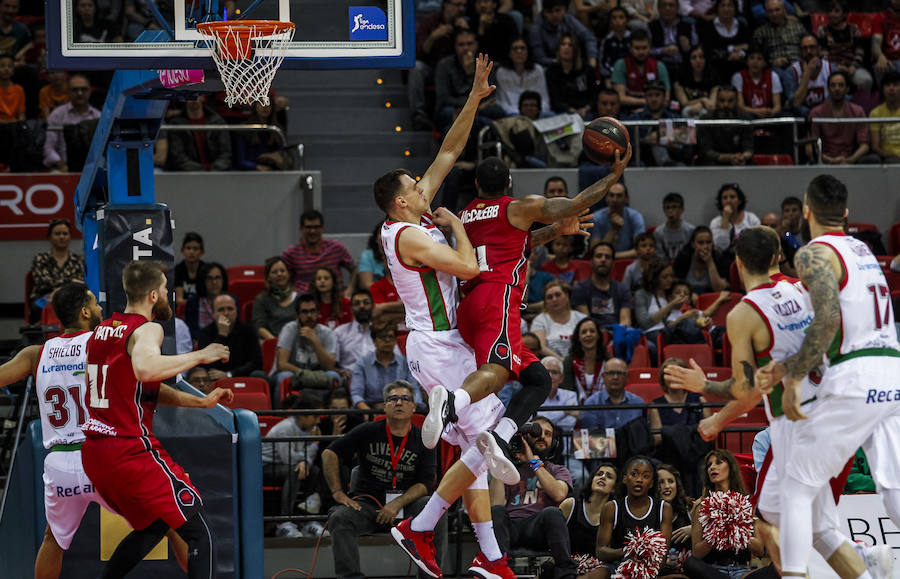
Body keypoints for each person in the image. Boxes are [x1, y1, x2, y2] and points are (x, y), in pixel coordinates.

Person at [665, 225, 892, 577]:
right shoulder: (804, 289)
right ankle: (864, 565)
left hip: (797, 432)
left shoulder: (744, 314)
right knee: (817, 529)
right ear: (776, 257)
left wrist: (705, 389)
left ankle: (860, 558)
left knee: (771, 524)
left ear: (737, 262)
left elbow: (747, 389)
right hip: (839, 420)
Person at [375, 54, 517, 579]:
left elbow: (449, 151)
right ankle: (418, 527)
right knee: (495, 428)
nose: (423, 186)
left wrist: (474, 99)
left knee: (474, 452)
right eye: (414, 186)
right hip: (436, 344)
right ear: (400, 202)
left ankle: (492, 559)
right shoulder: (408, 233)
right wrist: (458, 225)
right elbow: (465, 265)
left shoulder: (410, 216)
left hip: (441, 343)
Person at [753, 176, 900, 578]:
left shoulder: (814, 254)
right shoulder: (863, 249)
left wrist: (795, 376)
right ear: (847, 214)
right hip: (892, 370)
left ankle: (799, 574)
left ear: (806, 211)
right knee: (893, 488)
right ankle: (864, 565)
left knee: (798, 485)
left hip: (856, 372)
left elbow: (829, 318)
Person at [0, 283, 185, 578]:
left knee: (52, 541)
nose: (101, 309)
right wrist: (198, 402)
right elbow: (147, 386)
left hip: (59, 461)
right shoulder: (101, 345)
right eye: (95, 305)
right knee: (173, 521)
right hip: (99, 454)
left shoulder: (36, 354)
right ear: (85, 311)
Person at [81, 260, 233, 578]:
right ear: (153, 295)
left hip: (96, 454)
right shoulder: (148, 328)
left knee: (154, 526)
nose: (168, 294)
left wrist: (201, 402)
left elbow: (141, 387)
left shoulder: (101, 331)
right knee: (196, 529)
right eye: (165, 289)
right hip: (128, 449)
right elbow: (147, 369)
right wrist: (200, 355)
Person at [323, 381, 445, 579]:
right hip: (369, 504)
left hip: (407, 506)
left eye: (405, 399)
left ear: (414, 407)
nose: (399, 402)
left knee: (435, 508)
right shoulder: (367, 431)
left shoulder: (424, 439)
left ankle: (429, 576)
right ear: (385, 405)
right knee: (339, 517)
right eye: (393, 398)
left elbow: (424, 484)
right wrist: (337, 492)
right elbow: (329, 453)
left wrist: (397, 504)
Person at [489, 416, 578, 579]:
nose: (542, 436)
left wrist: (533, 462)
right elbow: (496, 505)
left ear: (554, 443)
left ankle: (567, 574)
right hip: (511, 527)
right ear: (525, 436)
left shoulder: (558, 470)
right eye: (537, 431)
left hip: (539, 527)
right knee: (497, 512)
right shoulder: (509, 469)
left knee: (552, 512)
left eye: (548, 434)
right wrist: (500, 462)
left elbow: (558, 494)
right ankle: (497, 572)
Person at [682, 450, 765, 578]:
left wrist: (736, 529)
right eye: (709, 465)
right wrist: (716, 533)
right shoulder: (702, 505)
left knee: (777, 569)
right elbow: (697, 553)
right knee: (690, 563)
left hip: (741, 570)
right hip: (713, 571)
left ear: (731, 468)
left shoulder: (748, 503)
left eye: (718, 463)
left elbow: (760, 550)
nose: (712, 467)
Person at [595, 456, 675, 579]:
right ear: (625, 478)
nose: (639, 479)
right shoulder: (611, 508)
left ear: (652, 483)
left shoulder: (664, 509)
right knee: (598, 574)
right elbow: (600, 551)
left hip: (652, 569)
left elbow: (662, 558)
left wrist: (643, 565)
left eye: (645, 476)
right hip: (619, 567)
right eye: (634, 474)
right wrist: (630, 551)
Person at [261, 394, 323, 539]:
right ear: (303, 415)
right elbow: (288, 458)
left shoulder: (312, 429)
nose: (318, 420)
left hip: (287, 465)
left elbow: (305, 458)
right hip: (265, 467)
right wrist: (313, 446)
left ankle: (307, 520)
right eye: (315, 416)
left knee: (314, 471)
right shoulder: (286, 428)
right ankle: (284, 522)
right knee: (294, 471)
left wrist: (305, 462)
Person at [274, 294, 340, 394]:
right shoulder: (289, 329)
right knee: (283, 377)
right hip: (296, 374)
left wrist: (315, 341)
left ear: (318, 313)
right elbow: (282, 365)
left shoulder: (327, 333)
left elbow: (330, 366)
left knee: (334, 376)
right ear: (297, 315)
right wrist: (307, 375)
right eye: (304, 312)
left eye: (313, 311)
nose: (309, 315)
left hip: (319, 376)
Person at [809, 71, 879, 165]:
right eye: (833, 85)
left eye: (841, 85)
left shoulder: (857, 111)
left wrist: (850, 160)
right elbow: (810, 148)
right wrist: (831, 161)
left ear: (847, 89)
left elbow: (864, 145)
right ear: (828, 89)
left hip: (851, 160)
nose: (837, 89)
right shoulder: (816, 113)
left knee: (873, 159)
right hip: (824, 161)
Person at [350, 322, 421, 414]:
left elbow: (414, 391)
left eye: (391, 337)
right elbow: (356, 394)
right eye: (383, 337)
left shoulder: (405, 363)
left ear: (395, 340)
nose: (387, 340)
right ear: (374, 341)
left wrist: (413, 408)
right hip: (372, 410)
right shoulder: (363, 363)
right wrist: (368, 412)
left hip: (400, 409)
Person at [282, 209, 356, 295]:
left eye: (316, 227)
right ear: (301, 229)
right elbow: (282, 277)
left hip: (335, 300)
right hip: (305, 302)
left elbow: (354, 268)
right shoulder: (291, 253)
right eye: (308, 227)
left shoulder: (336, 247)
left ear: (322, 228)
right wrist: (291, 293)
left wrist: (350, 289)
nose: (312, 231)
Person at [29, 218, 85, 324]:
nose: (62, 236)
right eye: (57, 233)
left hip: (71, 299)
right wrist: (70, 282)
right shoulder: (40, 259)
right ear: (50, 237)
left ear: (70, 237)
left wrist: (59, 290)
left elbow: (81, 284)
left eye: (65, 233)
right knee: (37, 307)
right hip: (45, 298)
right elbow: (43, 283)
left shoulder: (78, 260)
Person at [196, 293, 264, 381]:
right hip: (215, 380)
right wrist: (222, 336)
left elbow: (257, 363)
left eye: (230, 309)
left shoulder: (248, 330)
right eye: (221, 310)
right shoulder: (205, 333)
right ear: (213, 313)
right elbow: (205, 366)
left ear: (236, 311)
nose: (226, 313)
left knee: (259, 375)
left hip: (243, 378)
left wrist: (230, 374)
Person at [43, 74, 100, 172]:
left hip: (92, 170)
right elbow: (48, 148)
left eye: (84, 89)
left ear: (90, 91)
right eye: (75, 90)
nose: (80, 93)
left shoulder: (99, 116)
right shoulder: (57, 115)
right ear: (68, 92)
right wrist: (61, 165)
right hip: (63, 168)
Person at [572, 241, 634, 329]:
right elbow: (585, 323)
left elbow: (625, 321)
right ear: (591, 262)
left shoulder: (622, 289)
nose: (603, 260)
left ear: (613, 264)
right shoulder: (580, 289)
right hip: (592, 336)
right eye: (599, 256)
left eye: (607, 257)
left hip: (617, 335)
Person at [562, 463, 618, 560]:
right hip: (569, 565)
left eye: (609, 476)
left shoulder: (614, 514)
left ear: (614, 488)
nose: (603, 477)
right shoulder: (570, 505)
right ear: (592, 479)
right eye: (599, 474)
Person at [649, 358, 709, 446]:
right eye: (669, 374)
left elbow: (709, 433)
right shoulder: (656, 406)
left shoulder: (700, 400)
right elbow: (657, 439)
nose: (673, 378)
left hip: (696, 451)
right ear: (663, 378)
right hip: (668, 453)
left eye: (677, 374)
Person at [751, 0, 806, 97]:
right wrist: (771, 63)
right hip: (775, 69)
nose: (774, 14)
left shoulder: (798, 27)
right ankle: (793, 102)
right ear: (766, 13)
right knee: (780, 74)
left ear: (784, 10)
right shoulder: (760, 33)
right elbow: (755, 57)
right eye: (770, 11)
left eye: (777, 10)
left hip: (798, 65)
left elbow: (807, 48)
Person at [817, 0, 871, 94]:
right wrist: (836, 67)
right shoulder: (822, 30)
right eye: (830, 11)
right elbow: (822, 54)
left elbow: (859, 51)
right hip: (831, 67)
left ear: (844, 14)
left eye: (837, 11)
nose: (832, 14)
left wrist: (854, 66)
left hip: (852, 67)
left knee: (866, 80)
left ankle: (860, 107)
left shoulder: (854, 29)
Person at [166, 96, 232, 171]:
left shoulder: (217, 121)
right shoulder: (177, 124)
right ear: (184, 99)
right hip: (188, 174)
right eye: (190, 95)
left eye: (197, 95)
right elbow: (178, 157)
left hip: (216, 172)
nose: (194, 99)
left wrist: (214, 170)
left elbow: (225, 154)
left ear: (203, 97)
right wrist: (201, 171)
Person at [611, 28, 671, 111]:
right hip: (627, 111)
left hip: (654, 111)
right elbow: (620, 98)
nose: (641, 52)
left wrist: (646, 109)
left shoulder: (659, 66)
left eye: (644, 48)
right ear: (630, 48)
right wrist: (647, 103)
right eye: (637, 48)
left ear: (650, 48)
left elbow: (666, 98)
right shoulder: (621, 65)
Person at [580, 357, 646, 431]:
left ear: (627, 377)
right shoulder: (591, 403)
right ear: (603, 377)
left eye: (620, 373)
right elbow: (592, 437)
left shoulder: (638, 403)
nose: (615, 377)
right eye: (611, 373)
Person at [528, 0, 598, 69]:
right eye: (549, 12)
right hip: (549, 68)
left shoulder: (568, 19)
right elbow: (540, 58)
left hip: (571, 64)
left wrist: (592, 59)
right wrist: (561, 61)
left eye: (558, 10)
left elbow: (589, 38)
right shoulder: (536, 30)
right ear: (544, 13)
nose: (554, 15)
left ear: (564, 10)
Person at [697, 85, 754, 166]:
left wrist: (742, 157)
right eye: (722, 100)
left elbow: (749, 149)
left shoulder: (745, 119)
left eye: (730, 101)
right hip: (714, 162)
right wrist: (730, 157)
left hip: (740, 160)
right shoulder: (706, 120)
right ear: (716, 101)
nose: (726, 105)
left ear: (736, 101)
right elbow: (707, 151)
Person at [531, 281, 588, 360]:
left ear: (567, 296)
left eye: (558, 295)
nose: (554, 299)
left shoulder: (581, 318)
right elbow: (541, 347)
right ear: (545, 302)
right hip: (551, 364)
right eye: (549, 297)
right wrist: (563, 362)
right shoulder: (540, 320)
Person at [699, 0, 750, 84]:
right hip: (717, 69)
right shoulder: (709, 27)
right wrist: (729, 54)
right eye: (723, 6)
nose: (726, 9)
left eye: (730, 6)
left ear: (735, 8)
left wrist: (741, 54)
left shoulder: (742, 26)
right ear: (717, 9)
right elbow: (709, 51)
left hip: (740, 67)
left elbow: (748, 46)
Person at [590, 182, 646, 259]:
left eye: (619, 196)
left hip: (628, 261)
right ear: (606, 198)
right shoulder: (596, 218)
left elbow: (642, 250)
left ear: (627, 199)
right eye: (611, 195)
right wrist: (613, 229)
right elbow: (594, 252)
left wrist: (612, 257)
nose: (615, 200)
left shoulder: (635, 217)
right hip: (604, 262)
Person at [546, 33, 597, 117]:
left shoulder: (587, 70)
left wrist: (586, 108)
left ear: (576, 49)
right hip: (561, 112)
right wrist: (570, 110)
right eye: (563, 44)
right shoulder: (552, 71)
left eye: (570, 45)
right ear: (559, 48)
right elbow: (553, 99)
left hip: (586, 112)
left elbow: (594, 96)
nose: (566, 47)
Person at [656, 463, 694, 570]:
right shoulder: (647, 511)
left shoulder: (690, 507)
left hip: (688, 568)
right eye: (661, 482)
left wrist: (694, 529)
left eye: (671, 481)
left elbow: (711, 531)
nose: (667, 486)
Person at [673, 226, 730, 294]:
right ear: (693, 244)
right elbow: (675, 287)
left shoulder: (719, 258)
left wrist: (710, 262)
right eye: (701, 243)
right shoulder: (684, 257)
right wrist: (690, 294)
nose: (705, 246)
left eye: (708, 242)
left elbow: (719, 289)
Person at [252, 256, 298, 342]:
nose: (279, 274)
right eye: (274, 272)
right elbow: (259, 327)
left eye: (282, 271)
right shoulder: (261, 299)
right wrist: (276, 342)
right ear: (268, 277)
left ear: (288, 274)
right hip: (270, 342)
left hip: (295, 342)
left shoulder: (299, 298)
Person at [649, 0, 698, 79]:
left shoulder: (688, 24)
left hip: (683, 66)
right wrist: (662, 50)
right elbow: (646, 50)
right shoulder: (651, 26)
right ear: (658, 9)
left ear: (677, 8)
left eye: (671, 5)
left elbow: (697, 49)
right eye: (664, 5)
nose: (667, 8)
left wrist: (688, 48)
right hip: (659, 66)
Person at [562, 317, 607, 403]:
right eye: (584, 332)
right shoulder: (569, 362)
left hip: (604, 408)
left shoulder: (608, 361)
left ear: (598, 335)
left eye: (592, 331)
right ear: (578, 337)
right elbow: (567, 392)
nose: (588, 334)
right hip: (576, 410)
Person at [790, 34, 838, 115]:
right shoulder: (792, 71)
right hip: (804, 116)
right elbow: (796, 103)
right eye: (804, 48)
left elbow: (838, 97)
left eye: (812, 47)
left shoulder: (830, 68)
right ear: (800, 51)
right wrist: (807, 72)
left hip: (827, 113)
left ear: (819, 49)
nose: (808, 51)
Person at [732, 46, 784, 118]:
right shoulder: (738, 77)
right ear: (747, 61)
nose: (755, 62)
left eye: (759, 59)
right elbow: (740, 106)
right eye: (752, 58)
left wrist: (770, 112)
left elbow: (777, 106)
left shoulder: (773, 76)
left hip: (767, 115)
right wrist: (757, 111)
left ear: (765, 63)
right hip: (748, 115)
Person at [709, 183, 760, 254]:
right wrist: (725, 219)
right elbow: (721, 247)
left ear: (739, 200)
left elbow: (756, 243)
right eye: (725, 198)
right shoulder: (716, 222)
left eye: (732, 197)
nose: (728, 201)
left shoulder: (751, 218)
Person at [333, 289, 376, 371]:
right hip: (350, 378)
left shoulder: (381, 331)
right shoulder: (339, 332)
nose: (362, 306)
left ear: (373, 306)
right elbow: (333, 364)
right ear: (351, 308)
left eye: (366, 303)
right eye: (357, 304)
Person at [183, 262, 227, 337]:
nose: (214, 282)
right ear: (203, 281)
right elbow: (191, 331)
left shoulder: (230, 301)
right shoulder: (193, 302)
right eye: (209, 278)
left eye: (217, 278)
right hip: (201, 343)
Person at [537, 356, 579, 432]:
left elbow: (569, 424)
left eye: (554, 372)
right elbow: (536, 424)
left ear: (561, 378)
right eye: (546, 371)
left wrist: (545, 418)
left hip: (564, 442)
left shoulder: (570, 396)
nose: (550, 376)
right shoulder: (531, 396)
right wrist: (565, 412)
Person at [675, 45, 718, 118]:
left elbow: (712, 105)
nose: (698, 61)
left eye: (701, 57)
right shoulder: (680, 78)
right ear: (688, 60)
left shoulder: (713, 78)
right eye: (694, 58)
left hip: (707, 114)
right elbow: (684, 103)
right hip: (686, 115)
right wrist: (703, 100)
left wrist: (701, 104)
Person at [868, 71, 900, 163]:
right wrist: (893, 155)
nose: (891, 88)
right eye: (888, 85)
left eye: (895, 84)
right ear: (882, 89)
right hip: (889, 158)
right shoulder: (875, 113)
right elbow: (875, 147)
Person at [655, 192, 695, 260]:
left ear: (682, 210)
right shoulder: (658, 232)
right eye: (667, 208)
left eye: (674, 207)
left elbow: (693, 255)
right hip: (666, 267)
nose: (670, 211)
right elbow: (660, 256)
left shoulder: (690, 230)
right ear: (663, 210)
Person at [871, 0, 900, 84]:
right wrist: (880, 56)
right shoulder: (880, 17)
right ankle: (884, 96)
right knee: (880, 67)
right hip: (889, 60)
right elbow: (875, 44)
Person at [173, 232, 205, 307]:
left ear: (202, 252)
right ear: (182, 251)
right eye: (188, 248)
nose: (191, 252)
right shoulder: (177, 270)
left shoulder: (206, 270)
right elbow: (179, 300)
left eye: (195, 249)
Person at [599, 6, 631, 79]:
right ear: (610, 22)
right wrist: (610, 75)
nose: (617, 21)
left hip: (632, 75)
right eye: (614, 18)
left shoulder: (633, 38)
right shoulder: (607, 40)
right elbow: (602, 63)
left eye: (621, 17)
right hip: (612, 76)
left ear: (627, 20)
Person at [358, 221, 387, 291]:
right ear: (376, 238)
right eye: (382, 232)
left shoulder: (403, 254)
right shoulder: (367, 255)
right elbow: (366, 285)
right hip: (374, 296)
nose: (386, 236)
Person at [0, 52, 24, 122]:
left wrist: (19, 124)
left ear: (13, 70)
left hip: (14, 127)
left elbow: (21, 113)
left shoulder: (19, 89)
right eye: (2, 66)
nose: (6, 69)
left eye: (10, 66)